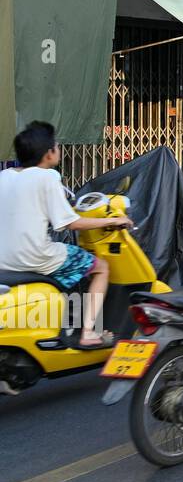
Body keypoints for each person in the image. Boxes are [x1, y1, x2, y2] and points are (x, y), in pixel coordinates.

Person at [0, 122, 134, 349]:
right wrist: (113, 221)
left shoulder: (5, 176)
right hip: (36, 257)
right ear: (48, 153)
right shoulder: (47, 177)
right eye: (56, 145)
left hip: (4, 259)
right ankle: (88, 332)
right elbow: (70, 223)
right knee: (101, 267)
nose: (59, 149)